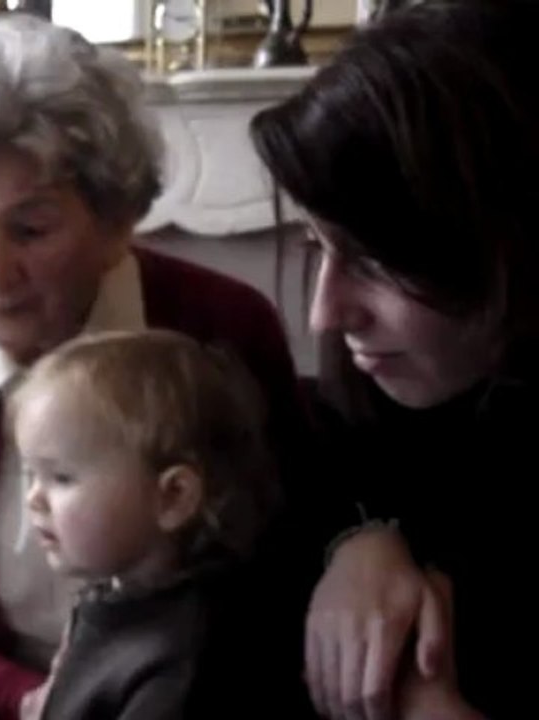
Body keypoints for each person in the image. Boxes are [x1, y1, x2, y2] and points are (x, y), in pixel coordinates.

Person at [0, 13, 310, 720]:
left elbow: (288, 561)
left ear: (117, 221)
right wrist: (31, 700)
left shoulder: (222, 328)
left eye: (31, 228)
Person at [250, 1, 539, 718]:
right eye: (317, 247)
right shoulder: (367, 415)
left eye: (374, 259)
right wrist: (360, 538)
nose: (324, 312)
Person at [8, 330, 279, 718]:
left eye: (61, 477)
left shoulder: (181, 667)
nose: (33, 498)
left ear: (173, 497)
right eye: (30, 474)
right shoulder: (115, 594)